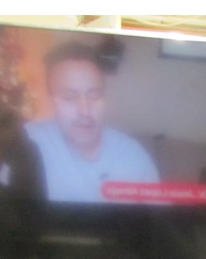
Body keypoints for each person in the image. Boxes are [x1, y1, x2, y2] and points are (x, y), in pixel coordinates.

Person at [24, 41, 159, 203]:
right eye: (69, 97)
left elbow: (159, 217)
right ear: (51, 101)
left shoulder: (133, 157)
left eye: (94, 96)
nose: (85, 111)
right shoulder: (27, 141)